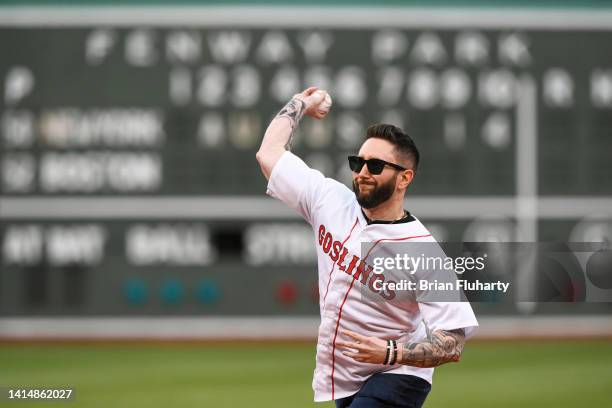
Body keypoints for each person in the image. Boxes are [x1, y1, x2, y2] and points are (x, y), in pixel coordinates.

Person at [256, 87, 478, 407]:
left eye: (375, 166)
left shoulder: (423, 252)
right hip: (346, 377)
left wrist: (392, 353)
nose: (362, 173)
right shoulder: (329, 201)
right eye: (358, 162)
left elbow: (453, 342)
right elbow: (269, 154)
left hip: (399, 376)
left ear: (404, 178)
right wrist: (302, 103)